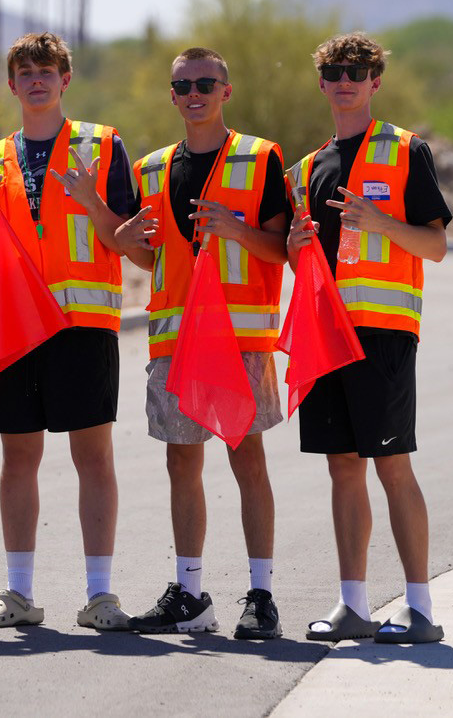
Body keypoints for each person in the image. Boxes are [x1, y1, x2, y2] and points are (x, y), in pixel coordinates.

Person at [0, 32, 138, 632]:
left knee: (93, 457)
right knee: (19, 457)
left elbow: (128, 240)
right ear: (11, 85)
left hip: (83, 326)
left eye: (47, 70)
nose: (36, 80)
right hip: (15, 327)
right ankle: (18, 594)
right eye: (25, 72)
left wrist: (92, 200)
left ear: (66, 79)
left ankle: (100, 596)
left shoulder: (102, 145)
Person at [115, 47, 291, 638]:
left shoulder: (260, 158)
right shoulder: (151, 168)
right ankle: (190, 594)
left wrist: (236, 229)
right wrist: (115, 233)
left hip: (240, 336)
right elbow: (150, 253)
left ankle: (261, 596)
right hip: (175, 338)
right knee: (180, 460)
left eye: (205, 83)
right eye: (183, 85)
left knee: (247, 460)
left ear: (226, 90)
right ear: (172, 95)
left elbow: (282, 250)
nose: (194, 93)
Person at [286, 32, 451, 644]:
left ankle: (421, 608)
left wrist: (382, 222)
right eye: (334, 70)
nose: (346, 79)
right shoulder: (304, 170)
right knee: (342, 468)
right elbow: (295, 256)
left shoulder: (407, 151)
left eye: (358, 70)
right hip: (324, 335)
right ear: (322, 82)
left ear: (375, 80)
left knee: (392, 466)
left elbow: (435, 245)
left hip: (382, 334)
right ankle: (352, 605)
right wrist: (292, 249)